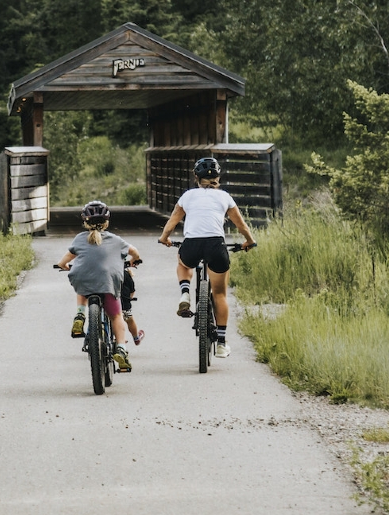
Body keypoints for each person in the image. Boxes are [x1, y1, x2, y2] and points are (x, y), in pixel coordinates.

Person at [157, 157, 256, 359]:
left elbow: (173, 221)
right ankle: (221, 343)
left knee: (183, 263)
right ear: (218, 177)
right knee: (220, 294)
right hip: (215, 245)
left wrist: (164, 238)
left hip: (192, 245)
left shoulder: (187, 196)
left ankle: (185, 292)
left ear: (196, 177)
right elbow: (242, 226)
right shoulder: (225, 197)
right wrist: (249, 241)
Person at [57, 200, 141, 371]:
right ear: (107, 222)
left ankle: (80, 314)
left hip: (84, 280)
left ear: (85, 221)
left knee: (83, 283)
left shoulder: (79, 239)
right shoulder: (116, 240)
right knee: (116, 316)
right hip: (109, 282)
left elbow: (62, 262)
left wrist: (65, 267)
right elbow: (135, 252)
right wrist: (133, 261)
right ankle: (121, 348)